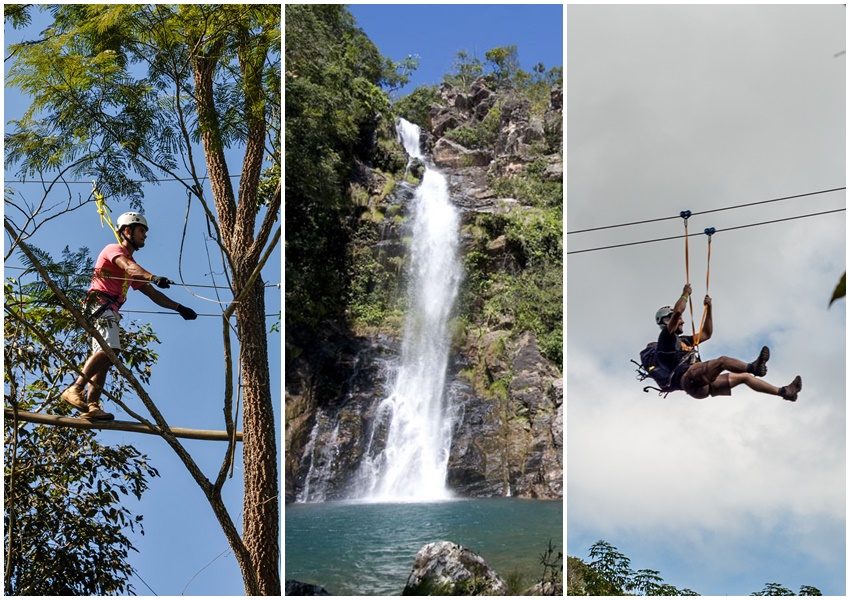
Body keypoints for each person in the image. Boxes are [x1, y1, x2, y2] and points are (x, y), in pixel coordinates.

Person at [61, 212, 198, 420]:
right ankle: (75, 388)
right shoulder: (114, 250)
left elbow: (152, 294)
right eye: (141, 230)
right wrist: (152, 276)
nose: (145, 235)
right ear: (127, 231)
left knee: (106, 359)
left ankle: (92, 405)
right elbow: (129, 267)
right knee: (111, 349)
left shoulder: (130, 264)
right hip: (99, 305)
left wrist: (179, 308)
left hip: (107, 310)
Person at [654, 283, 802, 402]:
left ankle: (785, 392)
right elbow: (679, 311)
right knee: (722, 361)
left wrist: (709, 309)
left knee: (744, 378)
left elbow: (706, 334)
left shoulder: (684, 340)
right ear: (667, 320)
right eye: (677, 319)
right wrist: (685, 293)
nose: (682, 321)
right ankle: (753, 367)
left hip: (702, 387)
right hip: (689, 379)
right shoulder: (666, 338)